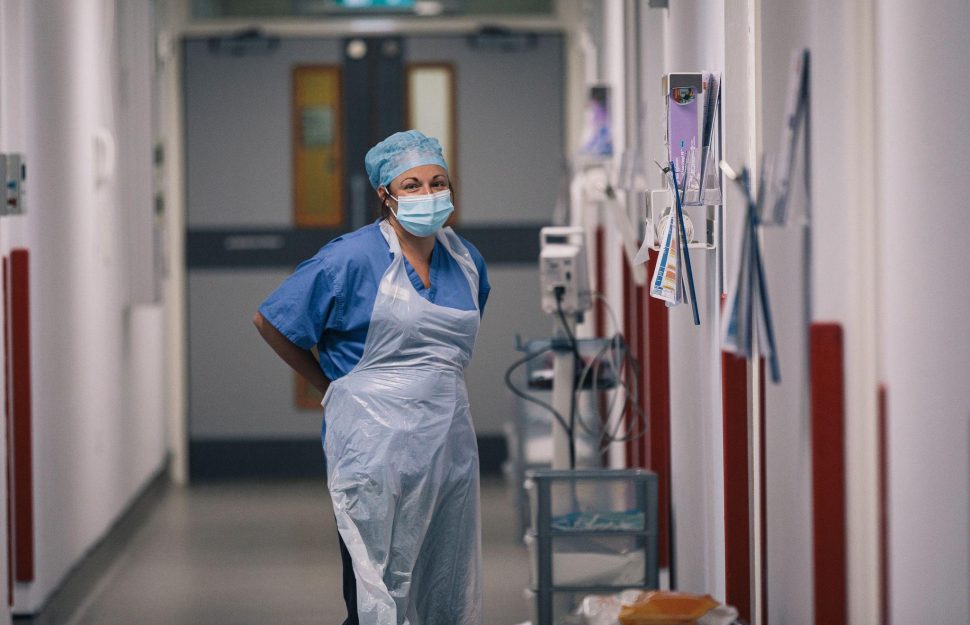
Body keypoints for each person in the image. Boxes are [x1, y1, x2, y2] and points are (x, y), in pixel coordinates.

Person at [253, 130, 489, 625]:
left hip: (447, 450)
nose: (429, 194)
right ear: (385, 195)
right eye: (413, 185)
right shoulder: (351, 258)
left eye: (438, 182)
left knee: (441, 585)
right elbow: (272, 321)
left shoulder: (465, 261)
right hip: (372, 453)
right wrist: (331, 385)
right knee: (374, 591)